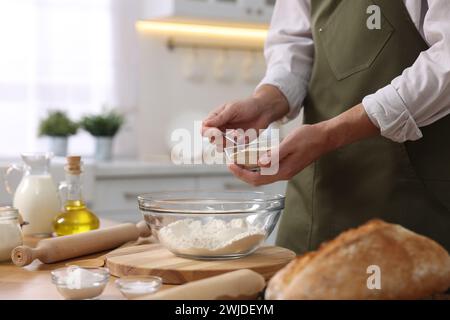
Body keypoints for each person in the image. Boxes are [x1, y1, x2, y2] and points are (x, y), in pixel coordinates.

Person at [202, 0, 450, 253]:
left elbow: (447, 59)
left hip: (411, 198)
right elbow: (292, 45)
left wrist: (331, 134)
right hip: (315, 202)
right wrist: (264, 104)